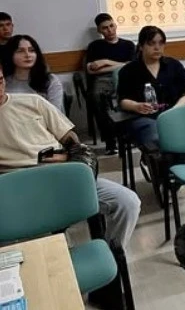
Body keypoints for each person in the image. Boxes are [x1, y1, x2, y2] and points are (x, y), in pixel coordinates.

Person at [0, 65, 141, 252]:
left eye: (0, 80)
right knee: (48, 244)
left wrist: (69, 155)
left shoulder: (32, 102)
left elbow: (71, 139)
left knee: (128, 202)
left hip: (60, 173)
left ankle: (111, 255)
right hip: (19, 188)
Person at [117, 26, 185, 151]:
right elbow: (123, 101)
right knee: (157, 139)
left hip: (174, 113)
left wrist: (175, 109)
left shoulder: (173, 65)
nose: (157, 47)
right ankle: (159, 162)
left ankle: (182, 162)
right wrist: (136, 106)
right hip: (144, 118)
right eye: (151, 43)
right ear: (141, 46)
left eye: (161, 43)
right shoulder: (128, 70)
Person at [85, 13, 136, 154]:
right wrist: (120, 65)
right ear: (99, 30)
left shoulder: (128, 45)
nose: (110, 30)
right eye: (105, 28)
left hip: (125, 77)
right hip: (103, 79)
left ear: (115, 25)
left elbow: (132, 66)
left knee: (134, 94)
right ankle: (110, 142)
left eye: (111, 26)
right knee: (98, 97)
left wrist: (105, 62)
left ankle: (130, 136)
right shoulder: (95, 46)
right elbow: (90, 70)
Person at [2, 34, 64, 112]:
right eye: (20, 51)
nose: (28, 55)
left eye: (31, 50)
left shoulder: (50, 80)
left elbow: (56, 114)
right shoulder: (3, 82)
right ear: (10, 54)